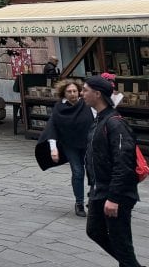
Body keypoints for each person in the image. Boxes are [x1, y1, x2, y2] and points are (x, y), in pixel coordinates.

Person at [81, 75, 142, 267]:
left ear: (97, 94)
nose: (81, 94)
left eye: (85, 90)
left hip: (117, 194)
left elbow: (123, 163)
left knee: (121, 243)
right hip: (100, 190)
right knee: (94, 231)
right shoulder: (99, 119)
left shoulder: (115, 123)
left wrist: (114, 198)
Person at [40, 78, 93, 217]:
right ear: (64, 93)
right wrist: (53, 149)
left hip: (88, 144)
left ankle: (94, 199)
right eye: (69, 91)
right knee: (77, 172)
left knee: (93, 171)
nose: (73, 94)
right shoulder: (59, 109)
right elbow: (52, 128)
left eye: (75, 91)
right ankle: (79, 203)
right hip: (70, 144)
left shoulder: (87, 104)